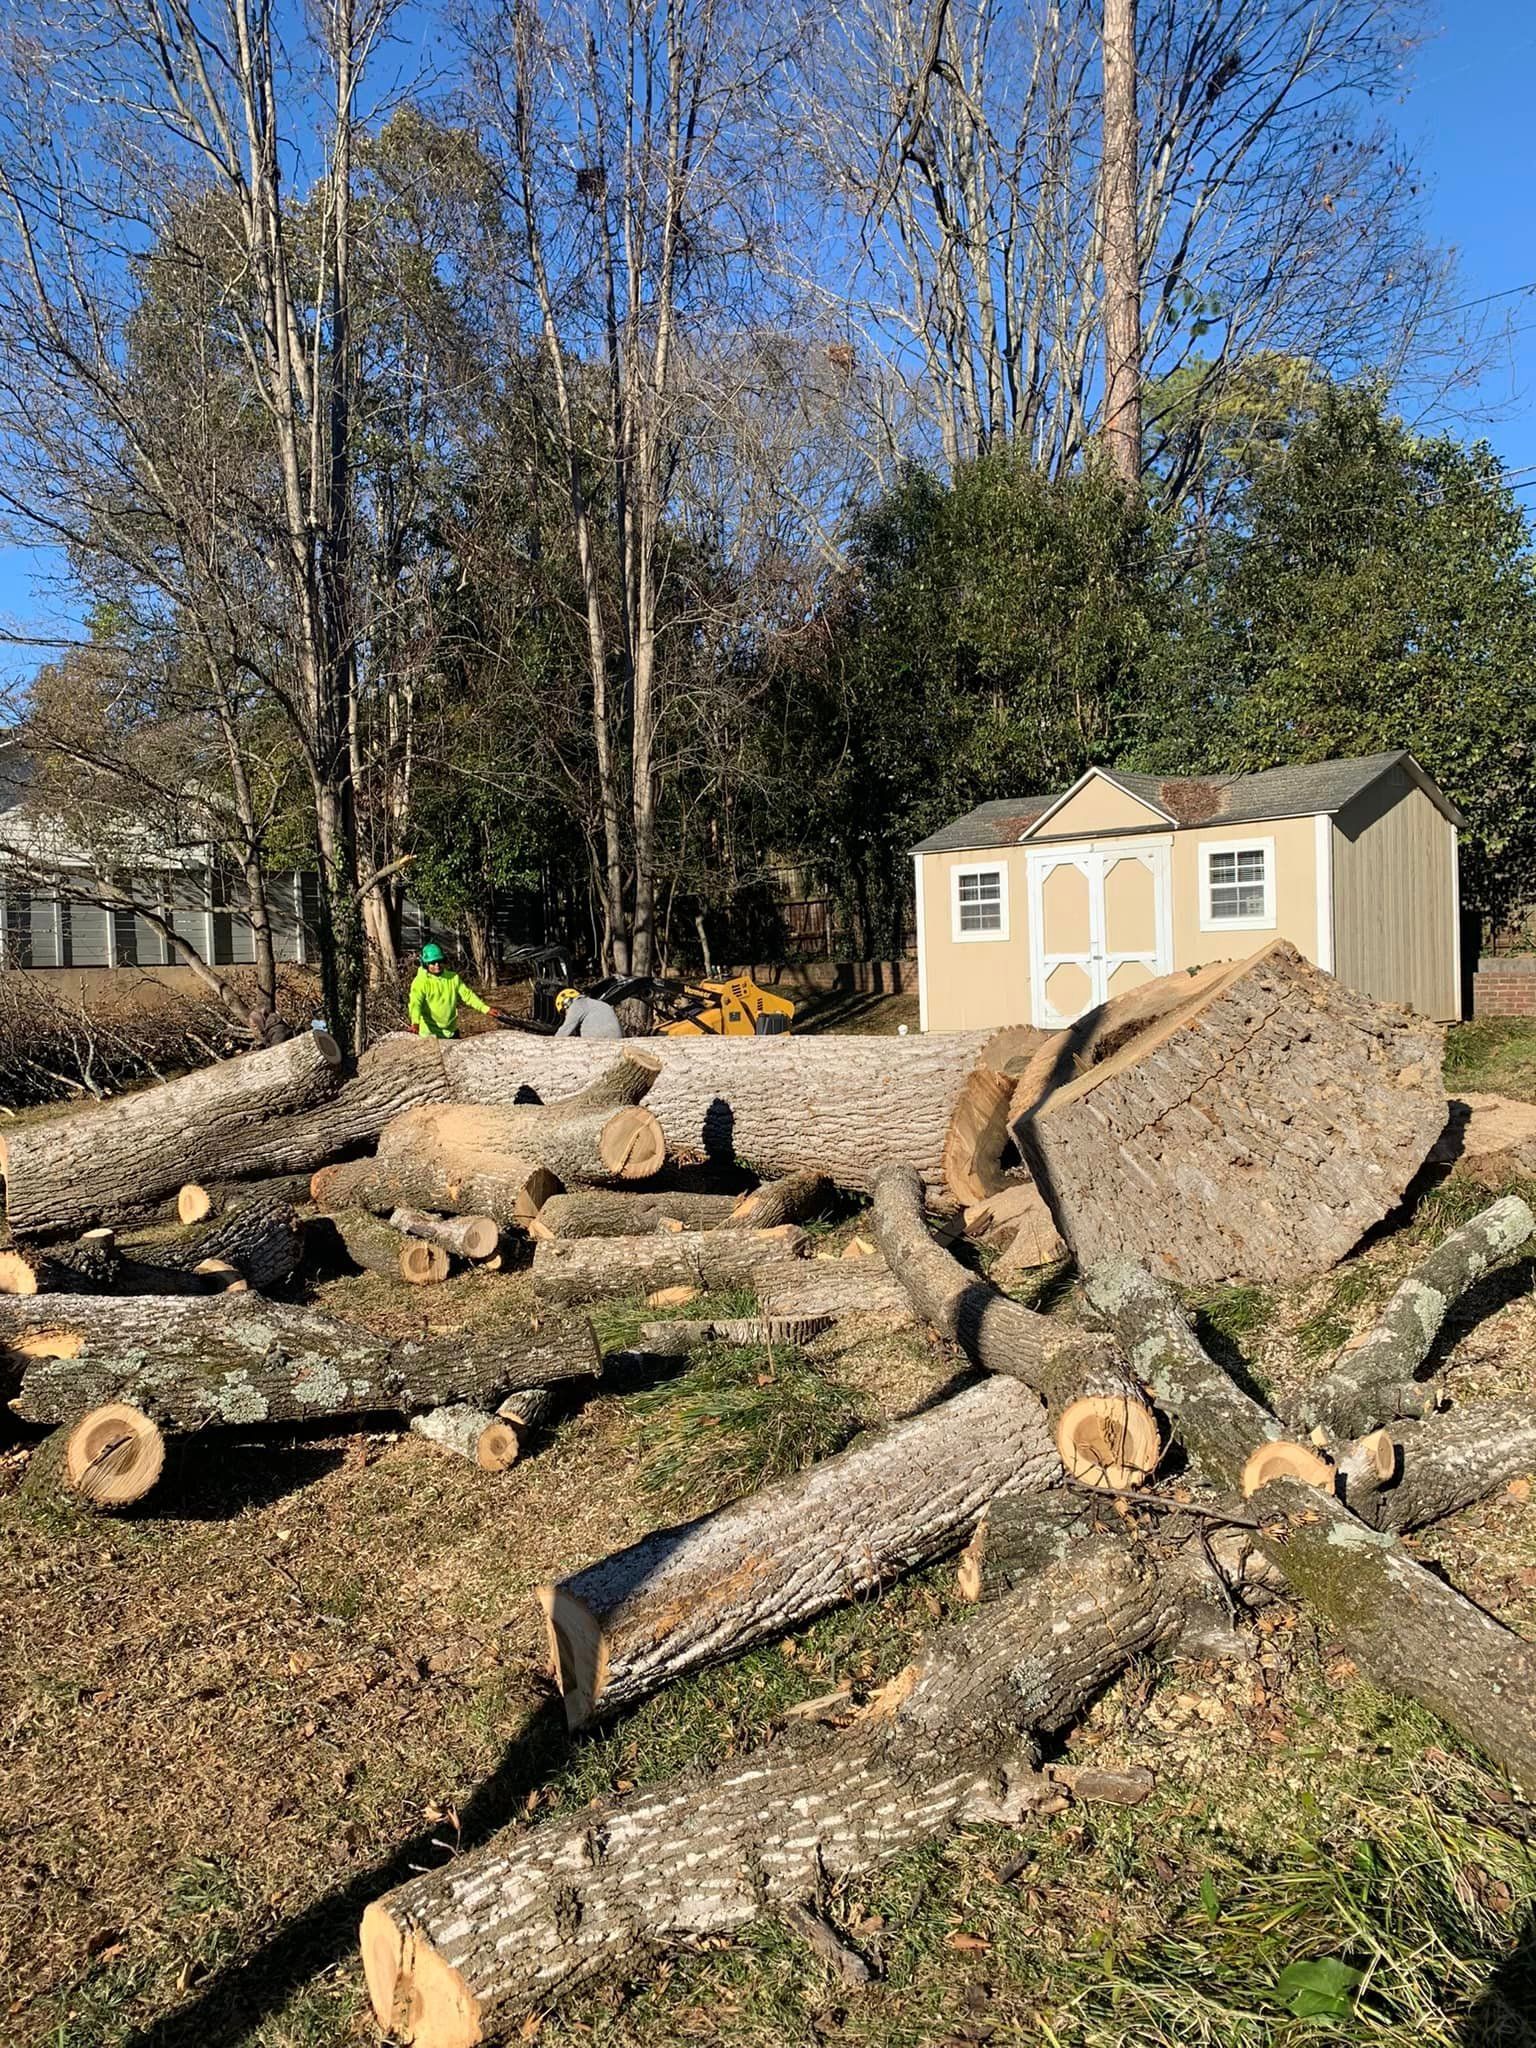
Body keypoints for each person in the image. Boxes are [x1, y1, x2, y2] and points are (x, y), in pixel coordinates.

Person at [408, 943, 500, 1039]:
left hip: (451, 1031)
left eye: (439, 961)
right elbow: (415, 1004)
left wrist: (486, 1009)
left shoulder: (453, 978)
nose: (437, 965)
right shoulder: (420, 982)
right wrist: (415, 1023)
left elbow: (468, 995)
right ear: (425, 963)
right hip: (429, 1034)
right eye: (433, 962)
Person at [554, 985, 623, 1039]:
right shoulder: (594, 1003)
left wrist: (553, 1043)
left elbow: (565, 1030)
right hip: (616, 1038)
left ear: (566, 1003)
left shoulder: (577, 1004)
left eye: (564, 1012)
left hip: (601, 1040)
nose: (566, 1015)